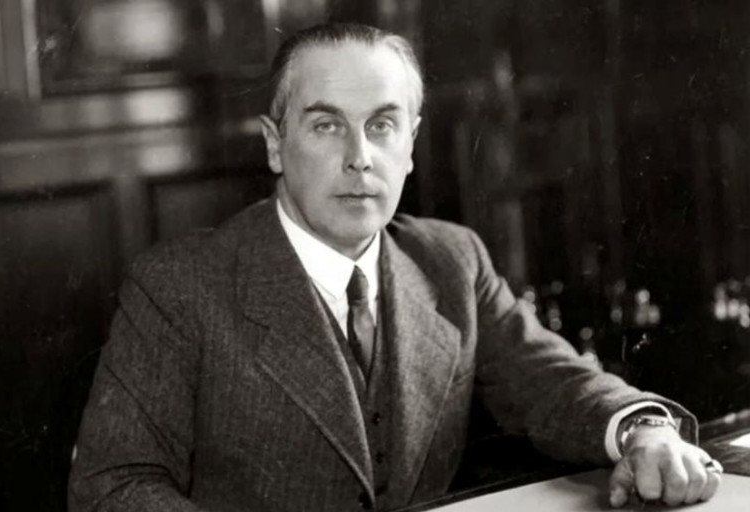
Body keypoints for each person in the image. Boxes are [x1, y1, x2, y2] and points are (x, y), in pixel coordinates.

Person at [68, 23, 722, 512]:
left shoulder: (449, 258)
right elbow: (111, 487)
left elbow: (552, 382)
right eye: (327, 126)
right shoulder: (180, 286)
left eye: (382, 125)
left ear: (410, 144)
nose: (360, 157)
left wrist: (643, 430)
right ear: (275, 145)